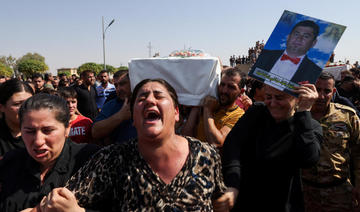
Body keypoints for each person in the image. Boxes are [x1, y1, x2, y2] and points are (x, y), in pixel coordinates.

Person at [38, 78, 226, 211]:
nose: (150, 100)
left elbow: (220, 201)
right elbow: (61, 203)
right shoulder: (111, 159)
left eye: (159, 96)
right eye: (142, 99)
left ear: (176, 113)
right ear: (133, 118)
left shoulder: (206, 155)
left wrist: (231, 194)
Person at [214, 84, 323, 212]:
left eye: (279, 97)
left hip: (281, 204)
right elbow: (233, 145)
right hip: (244, 201)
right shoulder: (257, 113)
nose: (272, 103)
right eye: (268, 97)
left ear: (297, 99)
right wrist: (233, 185)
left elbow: (309, 159)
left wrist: (304, 111)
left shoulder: (309, 126)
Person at [0, 94, 99, 212]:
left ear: (67, 128)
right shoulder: (9, 163)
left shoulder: (93, 161)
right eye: (30, 131)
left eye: (47, 131)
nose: (38, 141)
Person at [302, 72, 360, 211]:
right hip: (305, 194)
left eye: (327, 91)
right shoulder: (298, 116)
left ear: (333, 92)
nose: (321, 96)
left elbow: (359, 152)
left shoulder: (347, 116)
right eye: (317, 90)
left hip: (340, 194)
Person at [251, 20, 322, 91]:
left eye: (306, 36)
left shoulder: (314, 71)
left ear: (313, 43)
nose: (299, 38)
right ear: (288, 37)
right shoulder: (264, 56)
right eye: (296, 34)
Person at [182, 68, 245, 148]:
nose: (224, 91)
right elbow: (185, 137)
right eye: (222, 85)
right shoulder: (206, 106)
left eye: (231, 87)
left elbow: (216, 143)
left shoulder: (239, 115)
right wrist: (196, 105)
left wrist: (207, 110)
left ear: (241, 92)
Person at [92, 70, 136, 145]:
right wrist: (120, 116)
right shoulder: (111, 105)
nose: (118, 89)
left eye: (122, 84)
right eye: (116, 85)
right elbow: (95, 132)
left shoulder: (145, 103)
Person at [0, 79, 34, 157]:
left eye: (29, 103)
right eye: (17, 104)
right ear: (2, 107)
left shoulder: (43, 131)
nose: (25, 108)